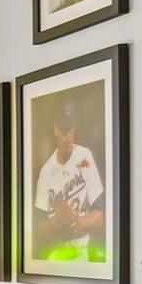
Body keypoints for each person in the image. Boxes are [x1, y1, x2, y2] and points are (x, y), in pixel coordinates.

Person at [33, 102, 105, 259]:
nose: (68, 136)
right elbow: (38, 230)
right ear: (56, 130)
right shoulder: (46, 171)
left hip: (82, 252)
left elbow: (100, 216)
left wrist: (76, 221)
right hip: (54, 253)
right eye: (64, 130)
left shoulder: (84, 157)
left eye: (71, 129)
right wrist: (57, 221)